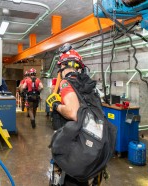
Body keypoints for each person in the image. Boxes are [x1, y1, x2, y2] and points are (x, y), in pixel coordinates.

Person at [47, 44, 102, 186]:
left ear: (63, 67)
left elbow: (73, 112)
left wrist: (56, 105)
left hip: (71, 144)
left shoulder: (66, 83)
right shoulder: (88, 86)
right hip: (88, 144)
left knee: (69, 179)